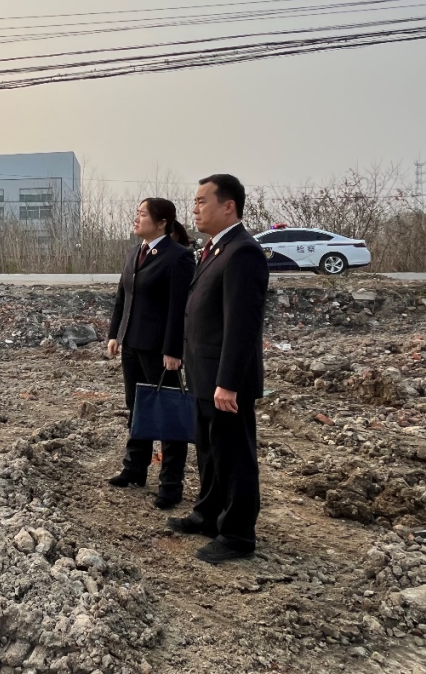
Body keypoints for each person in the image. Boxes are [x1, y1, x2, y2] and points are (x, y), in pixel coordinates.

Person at [167, 174, 269, 564]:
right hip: (203, 373)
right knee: (209, 450)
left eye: (201, 201)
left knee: (234, 455)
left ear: (229, 206)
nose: (194, 209)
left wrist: (228, 382)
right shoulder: (213, 250)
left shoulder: (243, 252)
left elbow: (242, 325)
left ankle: (238, 534)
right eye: (194, 201)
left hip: (226, 381)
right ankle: (208, 514)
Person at [106, 198, 195, 509]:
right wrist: (115, 334)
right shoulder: (134, 252)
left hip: (159, 350)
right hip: (132, 344)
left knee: (168, 414)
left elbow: (179, 308)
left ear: (162, 222)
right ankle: (134, 469)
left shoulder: (178, 257)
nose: (136, 218)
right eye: (137, 213)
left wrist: (173, 349)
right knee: (137, 408)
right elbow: (123, 297)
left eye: (142, 214)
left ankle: (170, 485)